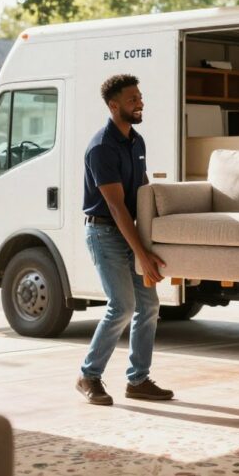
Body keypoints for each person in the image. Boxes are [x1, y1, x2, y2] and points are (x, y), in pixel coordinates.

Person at [75, 73, 173, 406]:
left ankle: (138, 380)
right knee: (122, 305)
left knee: (149, 305)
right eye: (132, 99)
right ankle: (88, 375)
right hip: (104, 231)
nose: (140, 103)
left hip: (128, 230)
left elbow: (141, 195)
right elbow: (116, 208)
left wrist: (154, 241)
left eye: (140, 97)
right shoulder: (102, 147)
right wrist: (141, 255)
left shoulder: (137, 141)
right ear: (113, 105)